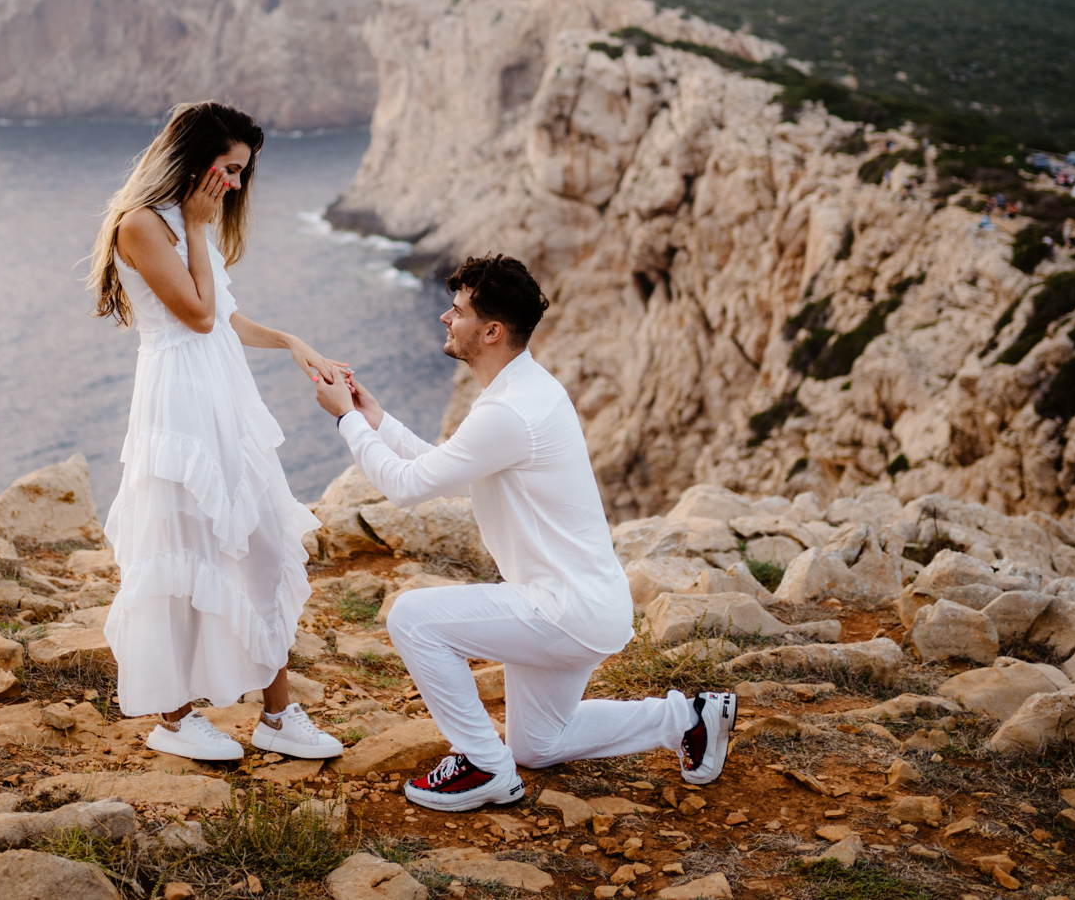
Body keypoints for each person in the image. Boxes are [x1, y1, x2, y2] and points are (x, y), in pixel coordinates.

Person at [313, 254, 736, 811]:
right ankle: (689, 718)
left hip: (562, 609)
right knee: (538, 744)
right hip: (580, 603)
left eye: (457, 310)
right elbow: (445, 469)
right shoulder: (523, 390)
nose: (445, 317)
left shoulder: (510, 411)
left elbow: (410, 487)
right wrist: (377, 420)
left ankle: (484, 766)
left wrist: (344, 420)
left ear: (491, 331)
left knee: (411, 618)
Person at [89, 101, 347, 763]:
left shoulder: (184, 220)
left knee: (260, 541)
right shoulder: (142, 225)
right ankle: (174, 718)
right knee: (181, 550)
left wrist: (292, 341)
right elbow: (198, 316)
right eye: (228, 169)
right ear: (194, 159)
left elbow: (225, 317)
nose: (233, 185)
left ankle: (277, 714)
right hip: (177, 404)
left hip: (224, 400)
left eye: (241, 172)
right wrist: (199, 228)